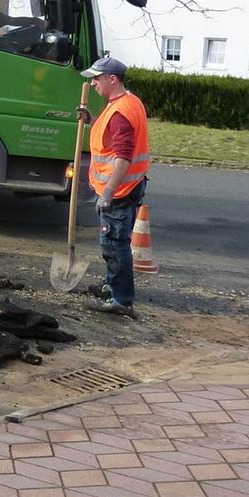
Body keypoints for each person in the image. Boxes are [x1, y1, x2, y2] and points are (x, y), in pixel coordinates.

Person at [78, 56, 149, 318]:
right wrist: (93, 119)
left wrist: (107, 193)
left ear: (112, 79)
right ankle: (113, 286)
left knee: (114, 244)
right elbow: (111, 136)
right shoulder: (128, 102)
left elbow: (123, 157)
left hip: (118, 191)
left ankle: (121, 299)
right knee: (117, 242)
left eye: (97, 78)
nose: (93, 83)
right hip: (131, 187)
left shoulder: (121, 112)